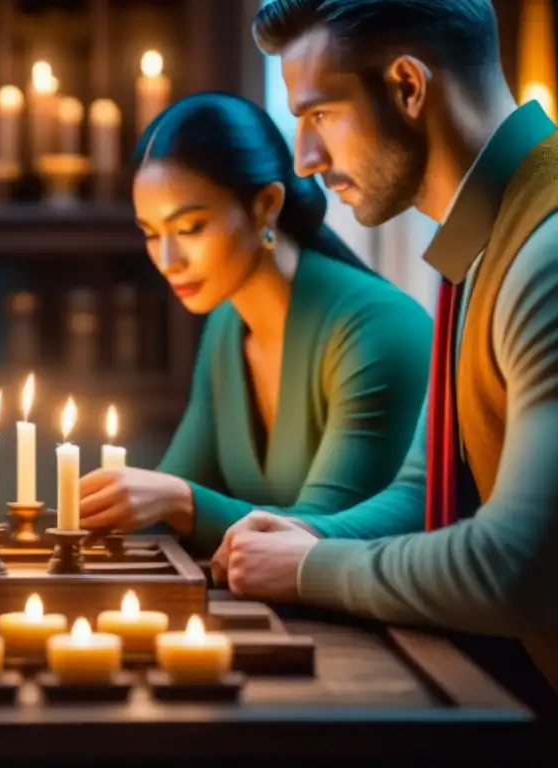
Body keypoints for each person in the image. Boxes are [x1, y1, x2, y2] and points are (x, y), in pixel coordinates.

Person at [212, 0, 558, 712]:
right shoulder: (481, 237)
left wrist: (311, 567)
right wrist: (308, 532)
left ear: (407, 86)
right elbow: (423, 490)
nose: (305, 162)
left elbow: (518, 569)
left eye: (319, 116)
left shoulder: (545, 254)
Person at [77, 91, 432, 555]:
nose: (167, 261)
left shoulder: (376, 330)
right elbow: (170, 493)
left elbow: (314, 536)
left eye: (189, 229)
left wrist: (180, 501)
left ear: (266, 204)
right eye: (151, 234)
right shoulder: (227, 324)